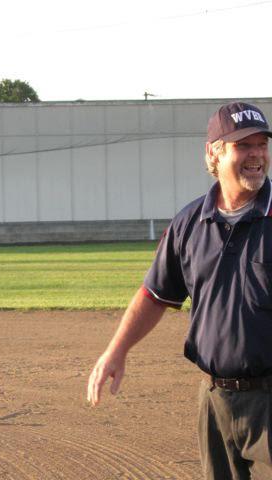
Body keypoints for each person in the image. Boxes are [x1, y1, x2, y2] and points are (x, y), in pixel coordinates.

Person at [87, 101, 272, 479]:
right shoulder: (190, 223)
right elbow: (155, 295)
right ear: (214, 154)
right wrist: (115, 350)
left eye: (261, 145)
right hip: (214, 397)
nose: (256, 155)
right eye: (243, 146)